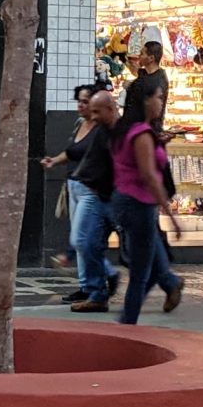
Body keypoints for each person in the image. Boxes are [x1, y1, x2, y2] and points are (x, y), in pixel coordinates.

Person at [110, 75, 184, 323]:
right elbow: (149, 176)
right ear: (146, 101)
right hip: (139, 205)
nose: (161, 103)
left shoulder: (127, 130)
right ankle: (127, 323)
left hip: (129, 203)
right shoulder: (141, 133)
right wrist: (171, 216)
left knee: (154, 268)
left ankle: (166, 286)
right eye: (158, 98)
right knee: (142, 274)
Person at [41, 83, 107, 300]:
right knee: (80, 240)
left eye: (85, 102)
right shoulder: (80, 124)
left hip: (90, 189)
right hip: (73, 186)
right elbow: (71, 152)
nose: (80, 105)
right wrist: (54, 161)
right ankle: (86, 285)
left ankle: (101, 279)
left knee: (80, 239)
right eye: (79, 101)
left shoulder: (102, 129)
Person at [67, 85, 120, 313]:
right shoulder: (99, 130)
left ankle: (167, 281)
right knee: (87, 243)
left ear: (111, 109)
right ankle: (97, 292)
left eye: (97, 111)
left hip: (114, 198)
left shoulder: (123, 132)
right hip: (97, 194)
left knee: (142, 250)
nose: (93, 115)